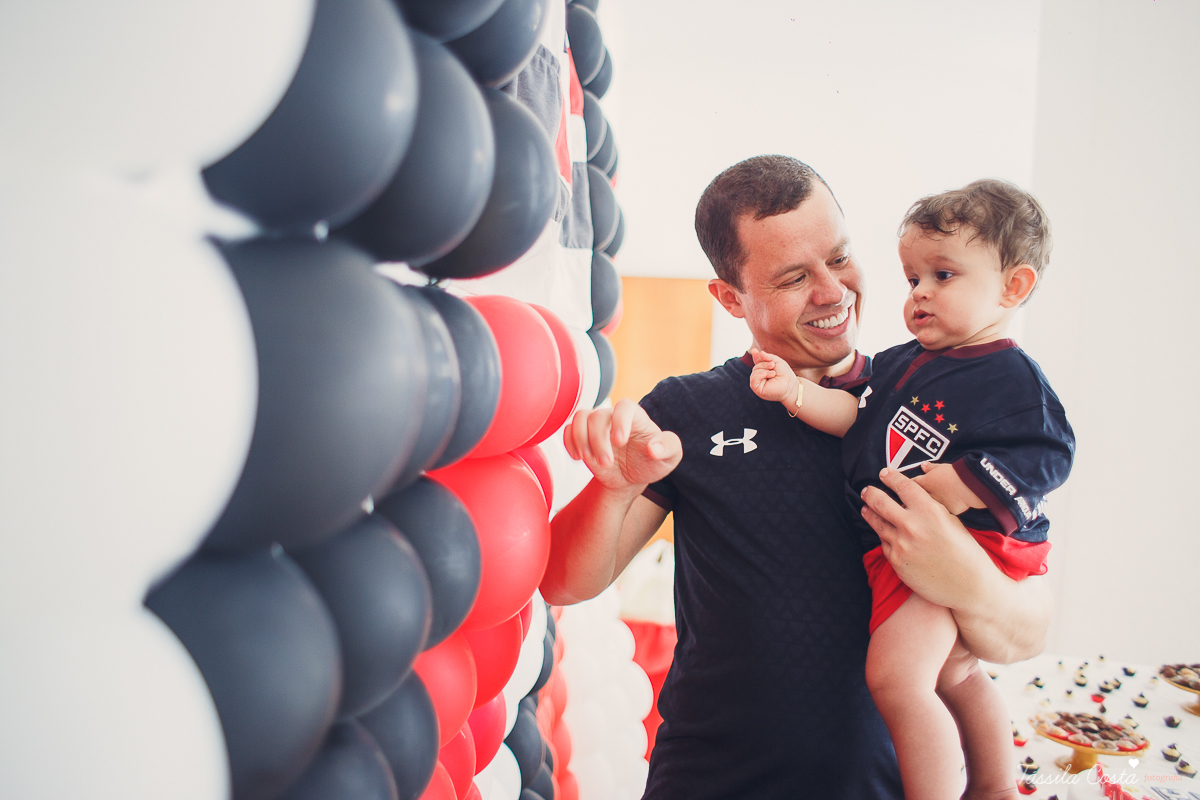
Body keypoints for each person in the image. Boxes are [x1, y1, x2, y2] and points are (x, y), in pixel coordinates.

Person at [541, 156, 1054, 800]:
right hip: (707, 783)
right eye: (794, 277)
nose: (833, 292)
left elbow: (1027, 632)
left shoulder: (928, 407)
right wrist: (614, 487)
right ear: (730, 298)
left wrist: (960, 570)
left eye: (840, 258)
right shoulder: (683, 411)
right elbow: (565, 583)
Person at [750, 178, 1074, 799]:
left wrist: (963, 483)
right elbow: (858, 419)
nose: (920, 292)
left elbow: (1049, 456)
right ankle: (995, 786)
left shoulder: (1012, 380)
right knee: (955, 675)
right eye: (912, 278)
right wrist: (795, 393)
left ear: (1013, 287)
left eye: (943, 275)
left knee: (897, 680)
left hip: (964, 545)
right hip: (907, 542)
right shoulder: (902, 362)